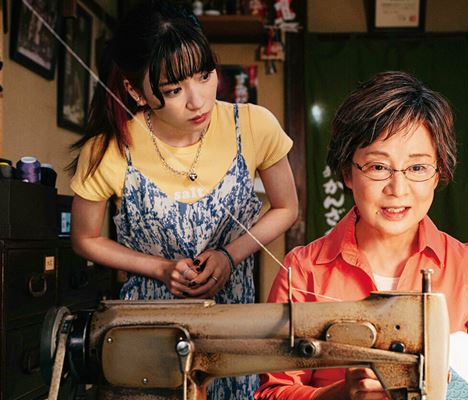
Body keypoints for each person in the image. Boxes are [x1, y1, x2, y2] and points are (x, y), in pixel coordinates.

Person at [255, 71, 468, 400]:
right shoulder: (303, 270)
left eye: (417, 168)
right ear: (347, 172)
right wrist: (338, 395)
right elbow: (272, 392)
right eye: (378, 167)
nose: (398, 189)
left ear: (438, 173)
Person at [68, 1, 298, 399]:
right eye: (174, 90)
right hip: (146, 331)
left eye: (204, 75)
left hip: (234, 330)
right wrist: (160, 269)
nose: (198, 101)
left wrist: (229, 256)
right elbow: (84, 238)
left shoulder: (254, 125)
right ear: (135, 91)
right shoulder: (109, 148)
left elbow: (286, 207)